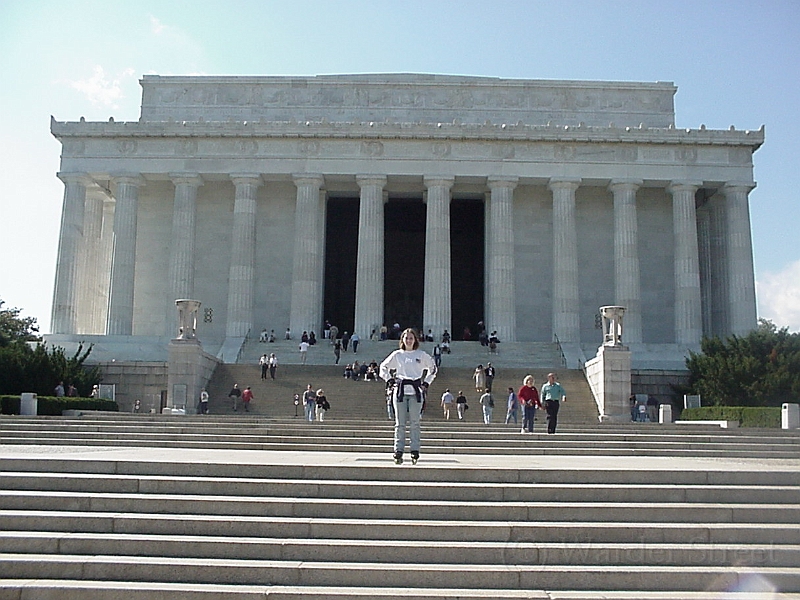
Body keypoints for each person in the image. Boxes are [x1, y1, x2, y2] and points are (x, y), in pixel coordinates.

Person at [380, 327, 437, 465]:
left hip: (415, 392)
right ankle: (398, 450)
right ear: (402, 340)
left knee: (415, 423)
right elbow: (383, 367)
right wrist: (390, 380)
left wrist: (426, 383)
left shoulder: (421, 355)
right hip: (400, 391)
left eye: (411, 338)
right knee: (399, 423)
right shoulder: (397, 355)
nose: (409, 340)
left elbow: (433, 368)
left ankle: (415, 450)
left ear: (415, 340)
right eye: (406, 338)